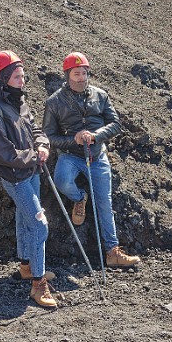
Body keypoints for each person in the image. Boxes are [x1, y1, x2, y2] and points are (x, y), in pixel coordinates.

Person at [42, 52, 141, 268]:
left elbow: (115, 124)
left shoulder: (101, 95)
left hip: (97, 156)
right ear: (67, 75)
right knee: (62, 182)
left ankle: (112, 251)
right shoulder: (54, 102)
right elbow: (49, 136)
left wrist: (95, 136)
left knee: (105, 203)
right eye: (76, 73)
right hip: (70, 156)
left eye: (84, 73)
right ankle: (80, 198)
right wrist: (73, 140)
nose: (81, 77)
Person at [0, 51, 56, 309]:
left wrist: (43, 145)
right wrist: (35, 156)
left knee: (26, 220)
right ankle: (38, 284)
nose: (23, 81)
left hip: (30, 172)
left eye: (23, 75)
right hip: (15, 178)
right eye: (17, 76)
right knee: (39, 226)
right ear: (3, 78)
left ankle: (26, 266)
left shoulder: (19, 102)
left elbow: (35, 129)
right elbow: (2, 152)